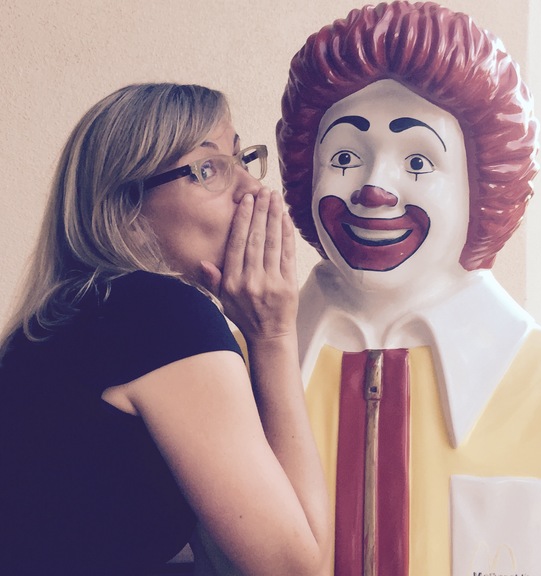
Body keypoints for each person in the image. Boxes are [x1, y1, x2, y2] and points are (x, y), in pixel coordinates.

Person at [276, 2, 541, 575]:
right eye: (346, 156)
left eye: (419, 161)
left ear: (483, 188)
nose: (375, 188)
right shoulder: (226, 375)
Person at [0, 83, 330, 576]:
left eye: (242, 159)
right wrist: (274, 336)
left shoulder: (62, 322)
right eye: (208, 169)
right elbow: (297, 568)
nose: (253, 190)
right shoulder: (158, 315)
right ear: (127, 211)